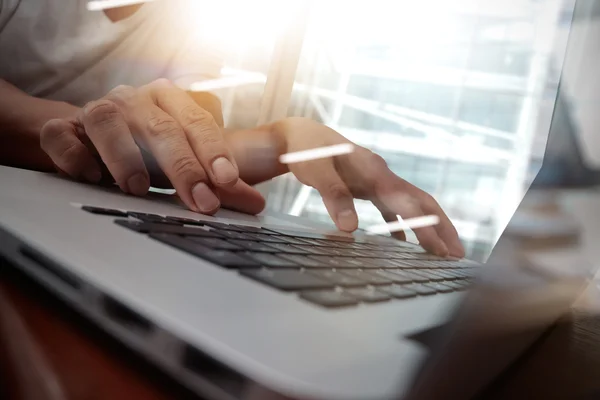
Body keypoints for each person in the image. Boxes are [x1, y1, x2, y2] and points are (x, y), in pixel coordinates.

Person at [0, 0, 464, 258]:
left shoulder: (192, 21)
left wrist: (286, 141)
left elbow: (193, 152)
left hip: (86, 231)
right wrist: (94, 127)